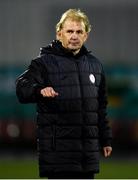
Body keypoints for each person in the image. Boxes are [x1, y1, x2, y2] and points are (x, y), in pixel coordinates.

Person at [16, 9, 112, 179]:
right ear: (59, 33)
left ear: (86, 35)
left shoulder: (96, 66)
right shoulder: (43, 63)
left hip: (86, 157)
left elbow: (100, 107)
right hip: (59, 156)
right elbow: (21, 88)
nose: (74, 36)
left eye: (79, 31)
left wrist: (106, 139)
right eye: (69, 31)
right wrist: (39, 90)